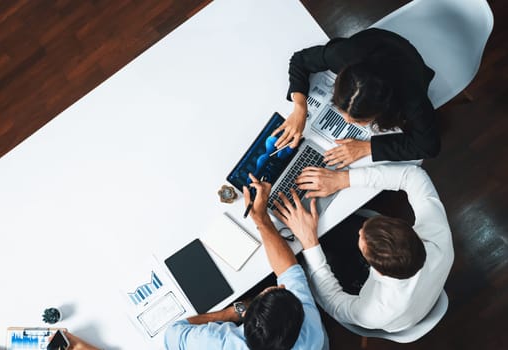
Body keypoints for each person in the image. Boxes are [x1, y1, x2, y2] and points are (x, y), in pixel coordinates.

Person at [273, 164, 453, 331]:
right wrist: (344, 179)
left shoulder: (373, 311)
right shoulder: (437, 237)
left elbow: (335, 303)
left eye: (362, 238)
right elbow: (413, 175)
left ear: (376, 270)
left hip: (369, 298)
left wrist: (309, 242)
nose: (360, 231)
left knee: (311, 256)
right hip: (423, 292)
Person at [164, 174, 327, 350]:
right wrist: (262, 220)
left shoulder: (217, 343)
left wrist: (230, 313)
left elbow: (173, 333)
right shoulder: (311, 331)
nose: (282, 286)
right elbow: (289, 271)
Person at [273, 28, 440, 168]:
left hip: (406, 58)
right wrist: (300, 107)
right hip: (368, 44)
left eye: (359, 120)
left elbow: (428, 146)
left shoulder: (411, 99)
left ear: (383, 108)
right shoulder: (340, 55)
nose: (346, 120)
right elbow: (299, 60)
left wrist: (368, 148)